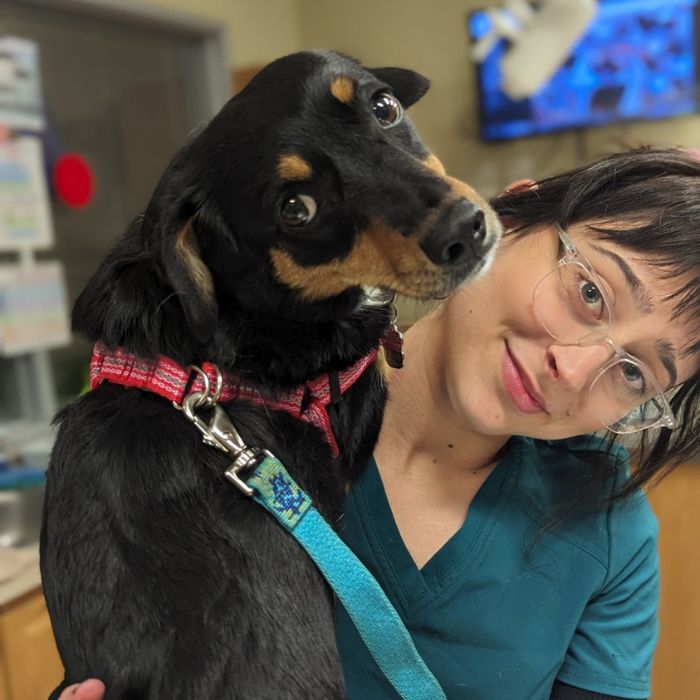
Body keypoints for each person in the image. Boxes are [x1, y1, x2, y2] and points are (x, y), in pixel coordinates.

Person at [56, 147, 700, 700]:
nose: (574, 368)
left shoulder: (607, 532)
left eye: (635, 373)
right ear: (501, 217)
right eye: (591, 292)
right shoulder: (221, 421)